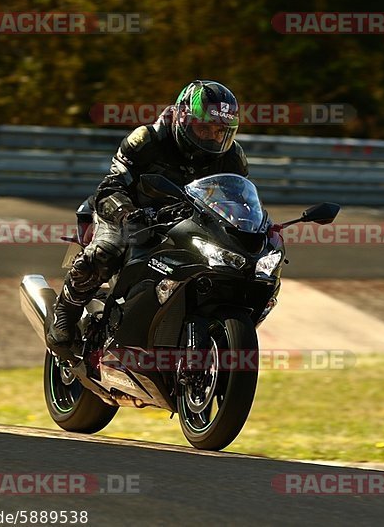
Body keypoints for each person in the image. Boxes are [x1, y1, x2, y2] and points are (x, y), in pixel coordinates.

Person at [46, 80, 249, 362]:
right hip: (131, 213)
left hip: (188, 221)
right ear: (182, 118)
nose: (212, 138)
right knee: (107, 250)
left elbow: (239, 199)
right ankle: (65, 314)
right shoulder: (146, 140)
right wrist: (128, 215)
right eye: (204, 128)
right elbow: (110, 187)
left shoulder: (232, 156)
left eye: (220, 132)